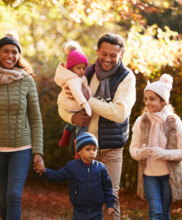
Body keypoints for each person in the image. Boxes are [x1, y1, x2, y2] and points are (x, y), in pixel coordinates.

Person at [59, 33, 136, 219]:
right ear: (98, 51)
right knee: (85, 199)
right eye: (104, 54)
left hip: (111, 148)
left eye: (113, 55)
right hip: (85, 147)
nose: (108, 59)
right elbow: (63, 104)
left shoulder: (126, 78)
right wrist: (72, 119)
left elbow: (119, 113)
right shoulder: (86, 73)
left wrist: (88, 100)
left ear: (121, 56)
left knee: (111, 197)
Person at [0, 30, 44, 220]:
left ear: (19, 55)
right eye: (5, 51)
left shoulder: (26, 80)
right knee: (3, 199)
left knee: (13, 195)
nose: (10, 56)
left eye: (14, 52)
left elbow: (35, 118)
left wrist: (38, 152)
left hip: (22, 147)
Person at [129, 74, 182, 220]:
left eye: (152, 99)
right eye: (146, 99)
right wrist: (140, 153)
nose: (148, 103)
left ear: (163, 101)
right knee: (155, 213)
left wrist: (165, 153)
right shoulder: (141, 121)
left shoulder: (174, 122)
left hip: (169, 176)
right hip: (149, 176)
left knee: (164, 214)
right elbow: (133, 149)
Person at [38, 132, 115, 220]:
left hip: (97, 210)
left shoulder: (101, 167)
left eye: (94, 149)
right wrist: (44, 170)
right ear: (79, 151)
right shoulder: (72, 167)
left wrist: (110, 204)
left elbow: (107, 187)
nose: (92, 152)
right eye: (88, 149)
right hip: (79, 211)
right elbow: (56, 176)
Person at [55, 41, 92, 151]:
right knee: (82, 128)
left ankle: (65, 135)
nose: (82, 71)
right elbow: (78, 92)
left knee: (71, 124)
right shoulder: (74, 80)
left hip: (70, 106)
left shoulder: (72, 78)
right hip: (77, 106)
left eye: (83, 68)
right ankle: (79, 150)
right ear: (71, 68)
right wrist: (86, 102)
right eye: (78, 68)